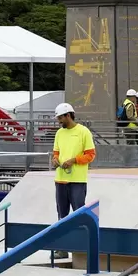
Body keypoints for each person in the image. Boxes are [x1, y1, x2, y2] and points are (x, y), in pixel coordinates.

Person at [52, 103, 97, 259]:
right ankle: (62, 249)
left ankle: (81, 248)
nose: (59, 121)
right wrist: (55, 160)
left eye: (60, 118)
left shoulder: (83, 132)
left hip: (77, 180)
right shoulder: (59, 133)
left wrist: (74, 160)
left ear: (68, 115)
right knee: (61, 216)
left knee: (78, 214)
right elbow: (55, 153)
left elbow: (90, 155)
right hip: (60, 180)